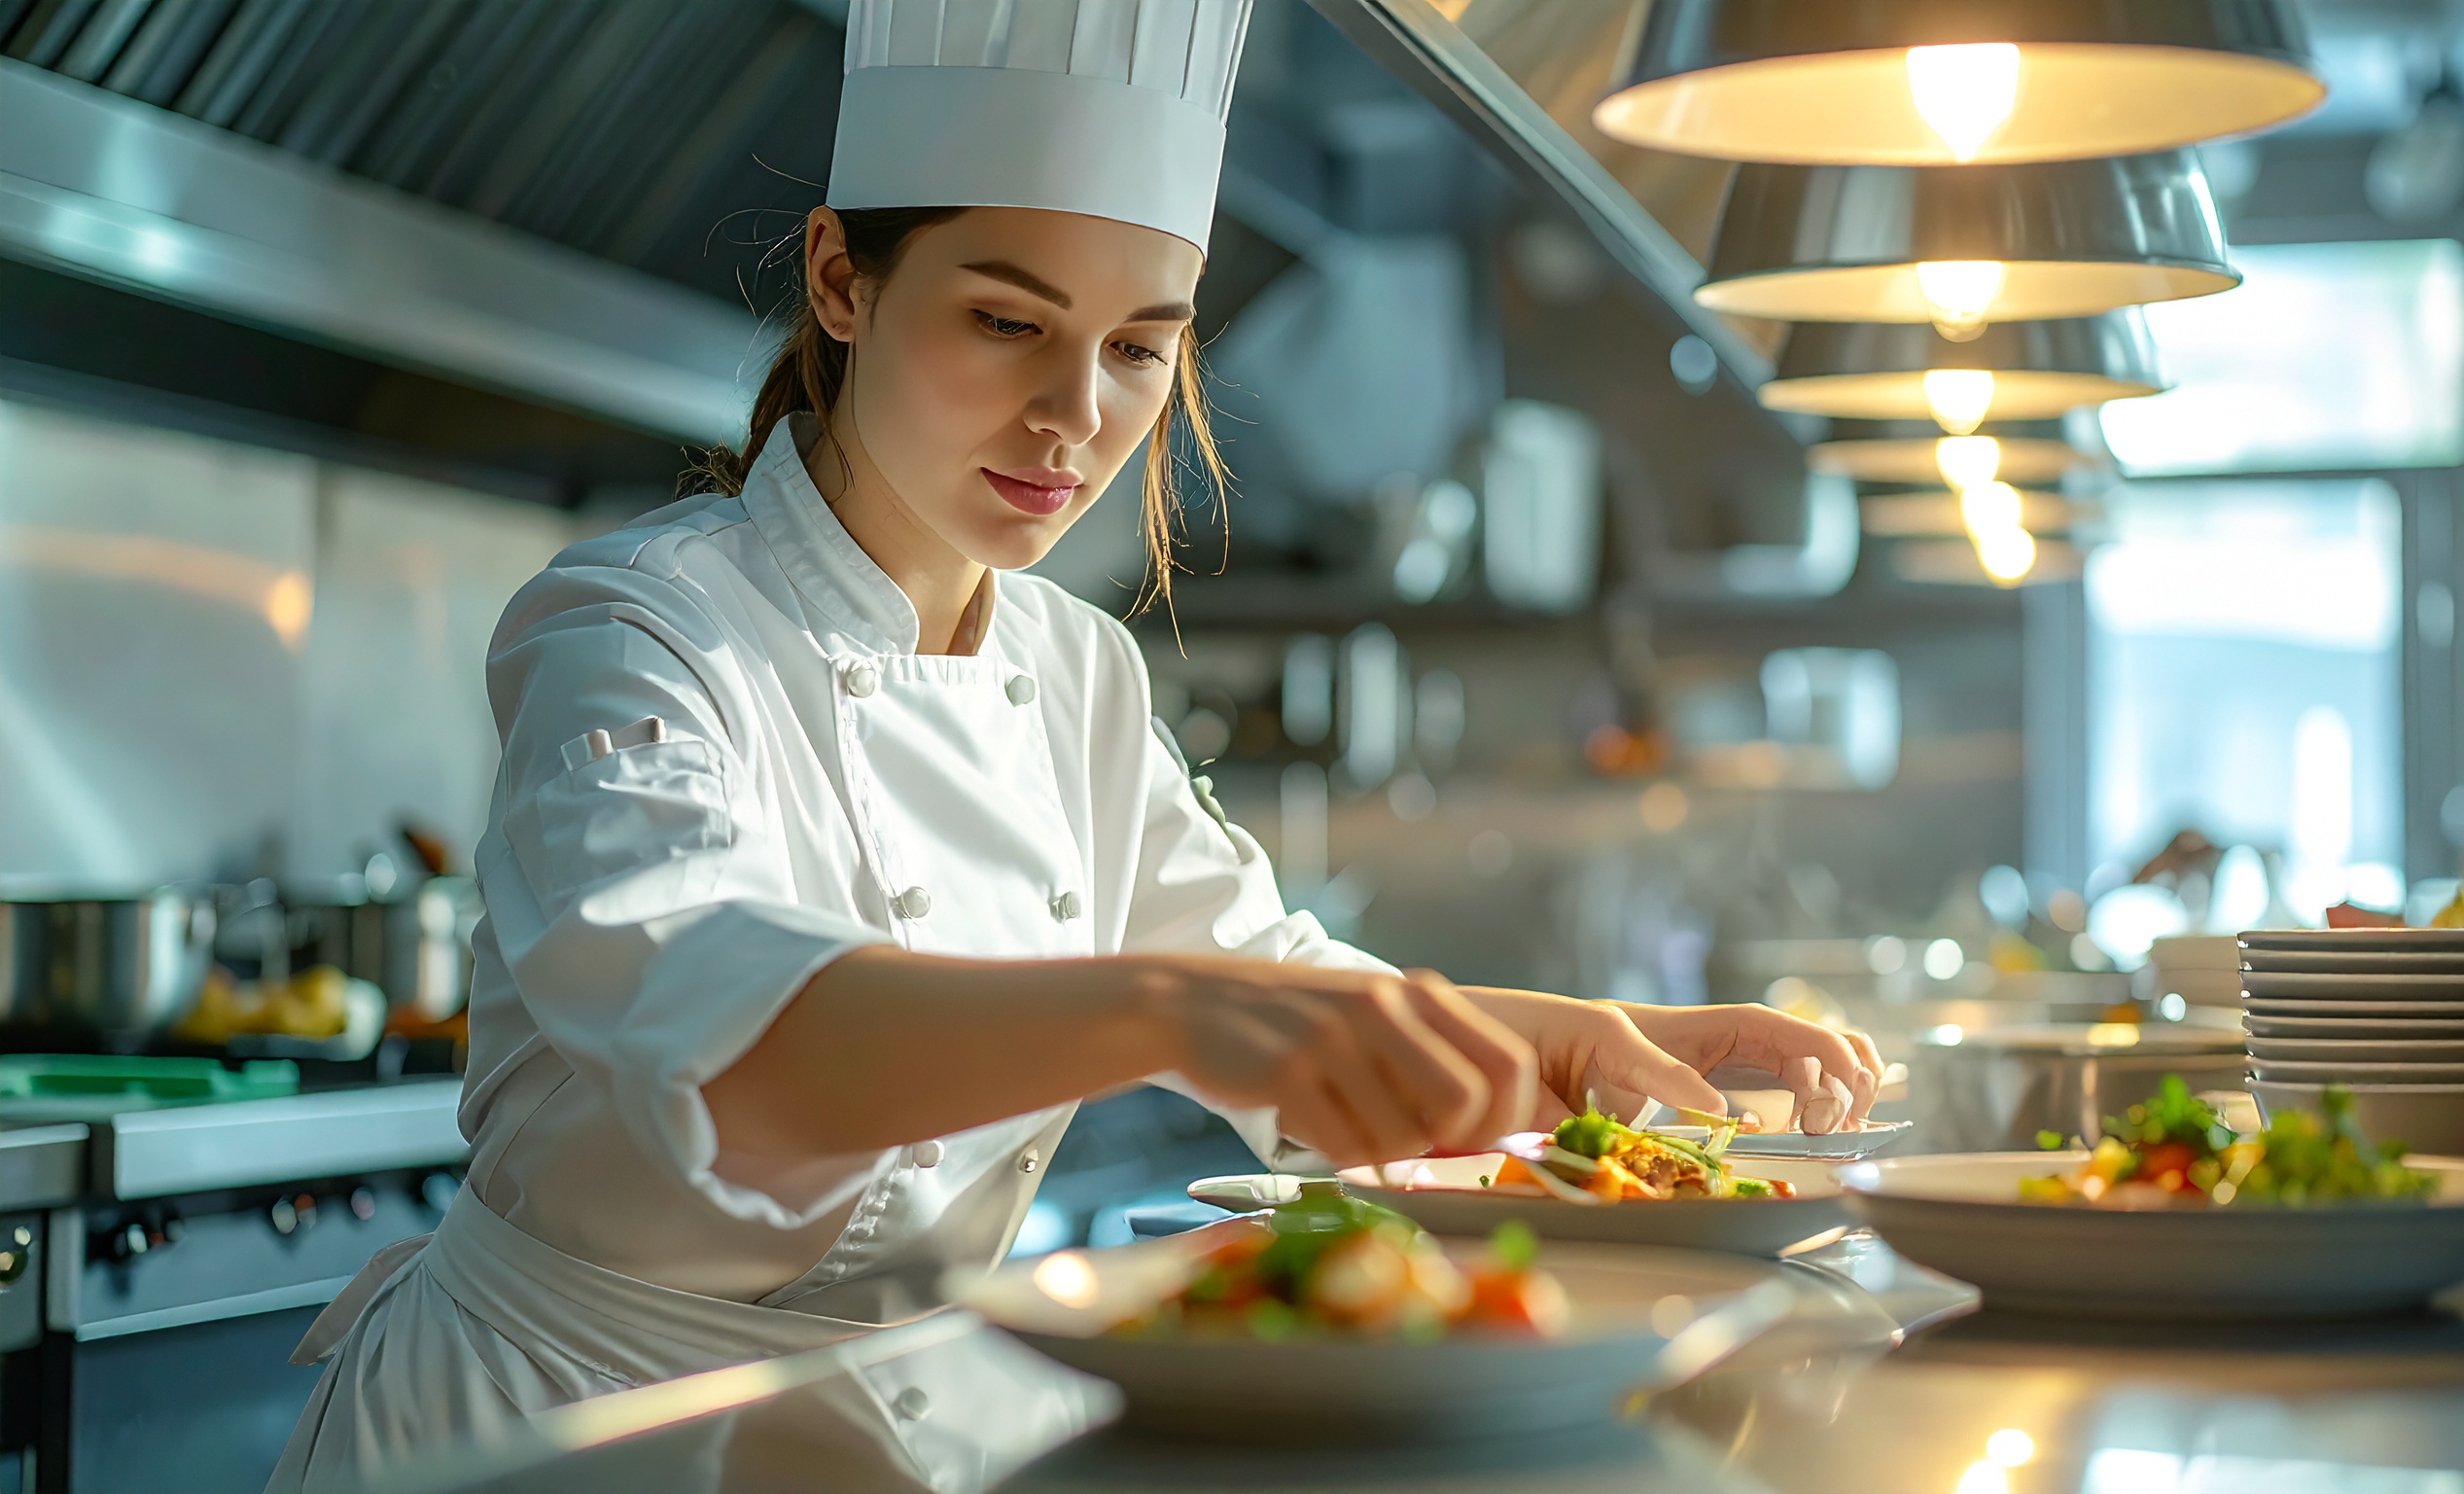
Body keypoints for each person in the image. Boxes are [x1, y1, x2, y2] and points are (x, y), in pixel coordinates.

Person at [269, 3, 1883, 1488]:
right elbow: (734, 1044)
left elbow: (1273, 984)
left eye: (1137, 347)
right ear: (841, 278)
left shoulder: (1074, 667)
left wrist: (1584, 1043)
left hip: (907, 1425)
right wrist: (1178, 1011)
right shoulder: (637, 627)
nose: (1075, 420)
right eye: (1004, 322)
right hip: (554, 1429)